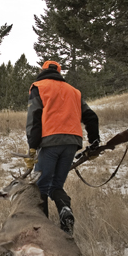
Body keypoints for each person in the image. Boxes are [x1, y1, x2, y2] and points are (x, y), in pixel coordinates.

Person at [25, 60, 100, 234]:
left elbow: (34, 118)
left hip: (50, 142)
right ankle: (65, 214)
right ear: (59, 72)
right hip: (72, 142)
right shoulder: (74, 91)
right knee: (56, 185)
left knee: (40, 187)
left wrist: (32, 148)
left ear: (42, 70)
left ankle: (42, 231)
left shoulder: (39, 86)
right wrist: (94, 142)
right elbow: (91, 117)